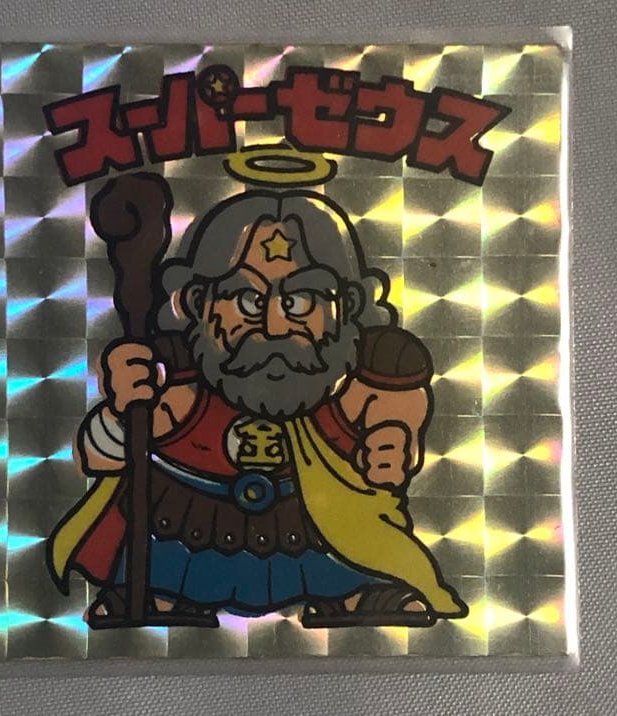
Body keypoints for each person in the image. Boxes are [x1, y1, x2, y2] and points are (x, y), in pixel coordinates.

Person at [48, 189, 467, 627]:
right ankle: (165, 596)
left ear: (348, 305)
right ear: (196, 302)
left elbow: (397, 420)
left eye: (300, 300)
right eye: (246, 300)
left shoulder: (361, 383)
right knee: (166, 574)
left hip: (322, 545)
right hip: (190, 537)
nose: (274, 325)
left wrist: (393, 444)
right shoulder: (175, 384)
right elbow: (104, 456)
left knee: (355, 554)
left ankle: (352, 594)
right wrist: (123, 409)